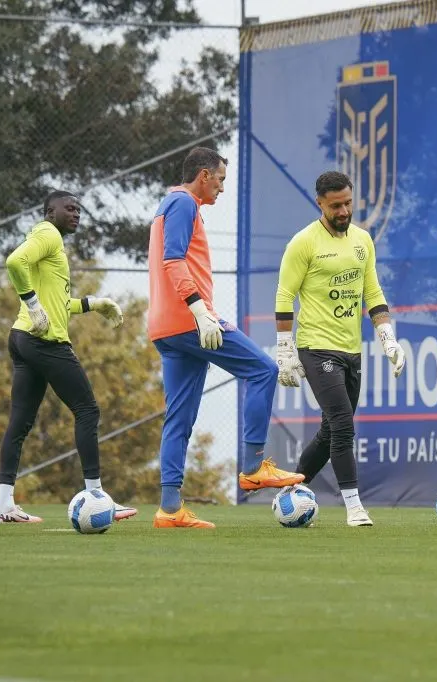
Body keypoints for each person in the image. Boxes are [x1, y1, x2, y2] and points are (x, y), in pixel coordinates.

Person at [148, 147, 303, 529]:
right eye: (220, 180)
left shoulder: (167, 205)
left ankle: (169, 509)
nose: (221, 188)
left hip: (165, 327)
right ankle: (253, 467)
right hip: (191, 321)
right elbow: (173, 260)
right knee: (264, 370)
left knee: (178, 419)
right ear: (204, 175)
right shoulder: (183, 204)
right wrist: (201, 312)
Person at [274, 171, 406, 527]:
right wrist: (285, 349)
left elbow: (373, 293)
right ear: (320, 203)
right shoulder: (303, 243)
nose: (344, 210)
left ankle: (289, 490)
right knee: (344, 425)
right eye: (336, 205)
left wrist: (388, 338)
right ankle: (354, 507)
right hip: (316, 348)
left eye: (348, 202)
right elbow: (285, 296)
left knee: (330, 432)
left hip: (352, 350)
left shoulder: (363, 240)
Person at [0, 190, 135, 523]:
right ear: (50, 211)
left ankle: (3, 504)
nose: (76, 214)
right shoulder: (47, 234)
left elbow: (60, 305)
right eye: (69, 208)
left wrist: (94, 304)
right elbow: (14, 261)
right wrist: (32, 304)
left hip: (22, 339)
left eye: (79, 210)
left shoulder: (51, 242)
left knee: (20, 423)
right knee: (87, 410)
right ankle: (97, 497)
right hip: (45, 343)